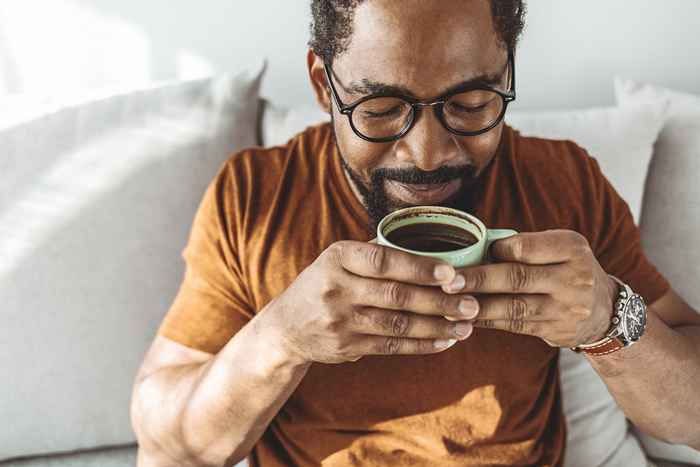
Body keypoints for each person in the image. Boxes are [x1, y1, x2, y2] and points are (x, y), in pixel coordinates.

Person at [130, 1, 700, 466]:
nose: (427, 154)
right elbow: (167, 449)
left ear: (507, 76)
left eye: (471, 104)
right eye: (380, 108)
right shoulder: (254, 196)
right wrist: (281, 338)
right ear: (324, 85)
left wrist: (610, 318)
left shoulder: (564, 182)